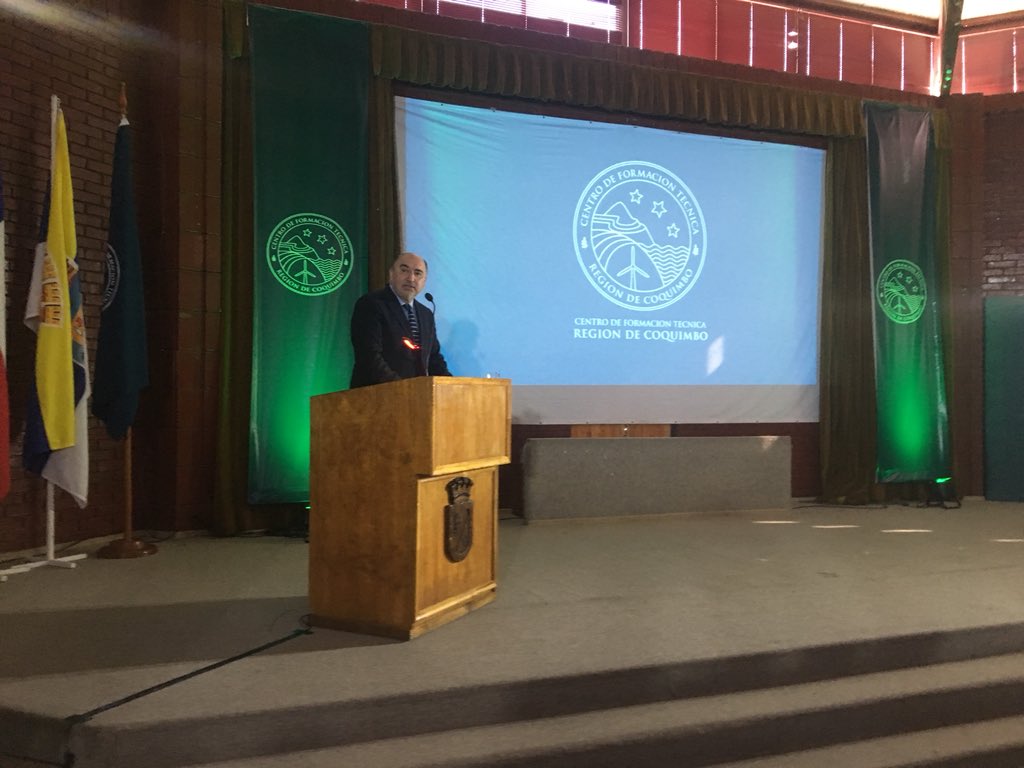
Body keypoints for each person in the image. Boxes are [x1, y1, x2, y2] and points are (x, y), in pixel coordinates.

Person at [349, 251, 452, 388]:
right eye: (404, 270)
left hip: (416, 397)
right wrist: (402, 387)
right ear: (391, 274)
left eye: (418, 273)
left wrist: (451, 385)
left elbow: (434, 358)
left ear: (424, 281)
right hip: (377, 395)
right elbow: (370, 356)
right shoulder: (371, 304)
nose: (411, 278)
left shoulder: (425, 314)